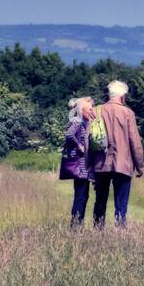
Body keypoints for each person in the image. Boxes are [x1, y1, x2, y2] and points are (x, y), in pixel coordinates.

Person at [90, 80, 144, 228]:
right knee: (121, 203)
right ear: (123, 97)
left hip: (101, 164)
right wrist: (140, 166)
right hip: (123, 164)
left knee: (100, 200)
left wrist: (89, 167)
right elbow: (135, 141)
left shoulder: (95, 111)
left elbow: (88, 140)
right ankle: (120, 231)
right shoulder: (128, 113)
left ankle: (97, 231)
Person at [58, 96, 95, 227]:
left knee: (83, 196)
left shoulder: (84, 122)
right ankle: (75, 227)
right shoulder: (78, 122)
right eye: (89, 109)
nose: (92, 111)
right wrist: (79, 145)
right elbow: (69, 134)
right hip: (80, 166)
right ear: (81, 110)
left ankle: (77, 225)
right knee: (81, 196)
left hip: (83, 166)